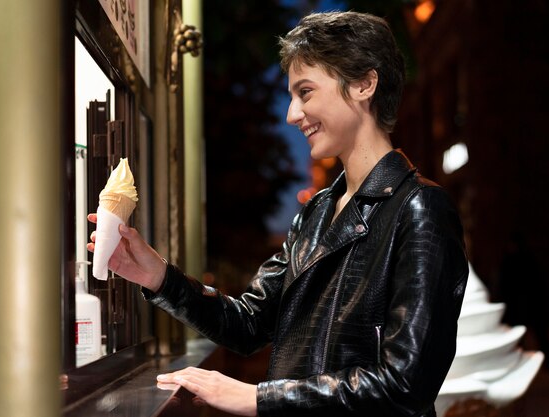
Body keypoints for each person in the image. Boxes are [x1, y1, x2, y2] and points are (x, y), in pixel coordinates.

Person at [88, 11, 468, 417]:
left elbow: (405, 382)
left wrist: (257, 398)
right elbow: (249, 323)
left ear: (364, 84)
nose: (292, 114)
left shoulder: (421, 208)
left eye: (305, 92)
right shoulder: (317, 212)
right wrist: (157, 276)